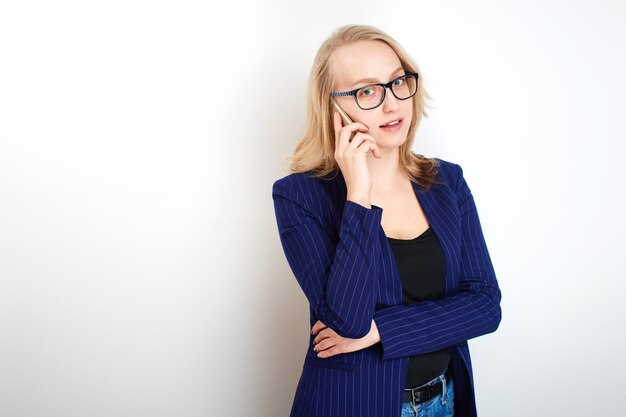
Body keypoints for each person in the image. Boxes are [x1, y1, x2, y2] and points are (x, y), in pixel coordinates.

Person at [271, 24, 502, 417]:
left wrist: (382, 331)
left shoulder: (447, 181)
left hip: (442, 402)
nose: (392, 104)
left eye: (398, 82)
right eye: (367, 91)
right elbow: (347, 321)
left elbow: (485, 305)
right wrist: (359, 193)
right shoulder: (299, 196)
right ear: (333, 108)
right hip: (351, 405)